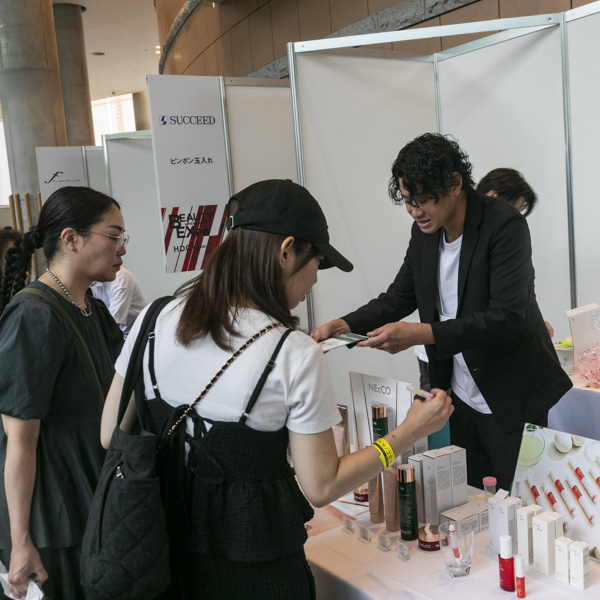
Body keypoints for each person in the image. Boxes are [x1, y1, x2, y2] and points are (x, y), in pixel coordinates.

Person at [101, 179, 453, 599]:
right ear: (286, 251)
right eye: (316, 262)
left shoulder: (155, 317)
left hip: (162, 558)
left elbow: (110, 434)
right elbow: (321, 486)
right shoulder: (292, 352)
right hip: (255, 573)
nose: (315, 280)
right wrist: (408, 433)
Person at [311, 134, 572, 491]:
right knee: (472, 497)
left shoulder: (504, 224)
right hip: (458, 392)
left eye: (422, 200)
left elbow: (506, 317)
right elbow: (399, 296)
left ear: (454, 184)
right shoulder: (425, 233)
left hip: (512, 392)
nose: (414, 211)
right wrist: (345, 324)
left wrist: (421, 334)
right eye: (407, 200)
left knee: (521, 501)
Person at [0, 187, 126, 599]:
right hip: (53, 516)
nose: (122, 248)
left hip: (90, 497)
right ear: (71, 239)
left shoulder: (93, 309)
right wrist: (20, 541)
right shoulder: (33, 315)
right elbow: (19, 441)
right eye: (114, 236)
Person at [414, 167, 549, 388]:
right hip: (443, 354)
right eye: (515, 209)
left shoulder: (504, 234)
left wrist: (530, 322)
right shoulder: (437, 232)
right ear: (494, 197)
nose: (416, 211)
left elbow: (514, 300)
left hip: (473, 355)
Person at [91, 265, 148, 337]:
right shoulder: (93, 280)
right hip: (122, 333)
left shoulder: (120, 279)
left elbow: (113, 326)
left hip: (137, 334)